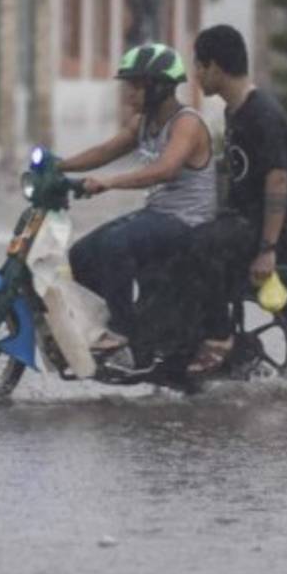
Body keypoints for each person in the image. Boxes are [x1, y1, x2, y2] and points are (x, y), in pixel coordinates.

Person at [134, 24, 287, 374]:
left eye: (198, 66)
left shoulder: (262, 114)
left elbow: (278, 180)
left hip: (259, 227)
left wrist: (268, 249)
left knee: (198, 246)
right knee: (166, 244)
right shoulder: (234, 111)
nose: (195, 75)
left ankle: (219, 335)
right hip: (237, 220)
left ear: (215, 67)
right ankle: (172, 340)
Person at [58, 43, 217, 355]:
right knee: (81, 255)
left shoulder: (187, 123)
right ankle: (117, 325)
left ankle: (124, 334)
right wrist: (59, 166)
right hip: (157, 215)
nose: (128, 93)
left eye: (136, 85)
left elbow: (165, 169)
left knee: (115, 245)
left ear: (159, 87)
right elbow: (105, 151)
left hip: (187, 221)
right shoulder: (143, 122)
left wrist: (109, 182)